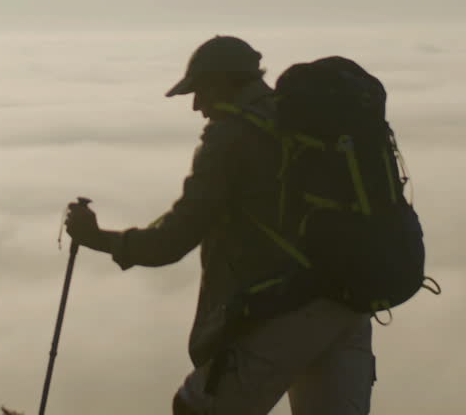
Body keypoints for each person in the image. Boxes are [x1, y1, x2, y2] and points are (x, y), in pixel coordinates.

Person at [65, 35, 376, 415]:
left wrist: (97, 238)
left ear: (225, 82)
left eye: (200, 91)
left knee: (195, 408)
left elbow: (172, 240)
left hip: (288, 308)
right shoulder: (307, 125)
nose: (198, 106)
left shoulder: (233, 136)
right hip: (351, 304)